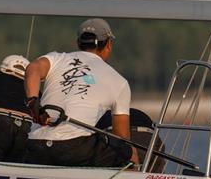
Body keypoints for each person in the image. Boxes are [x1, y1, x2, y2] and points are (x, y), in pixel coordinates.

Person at [23, 18, 139, 168]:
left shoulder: (57, 58)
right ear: (109, 44)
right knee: (130, 152)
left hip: (35, 144)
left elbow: (32, 68)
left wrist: (33, 102)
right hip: (75, 149)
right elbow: (122, 138)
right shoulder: (119, 81)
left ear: (79, 43)